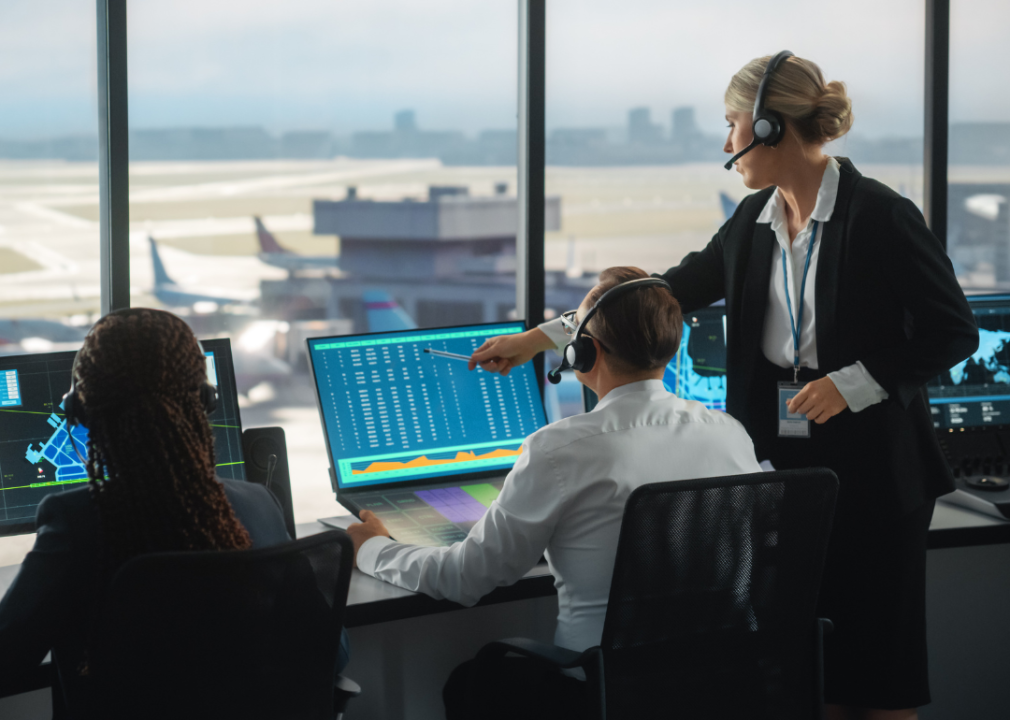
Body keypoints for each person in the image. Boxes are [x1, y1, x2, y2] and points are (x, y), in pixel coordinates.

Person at [469, 55, 979, 720]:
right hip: (782, 469)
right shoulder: (753, 222)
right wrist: (540, 339)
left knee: (879, 678)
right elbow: (652, 294)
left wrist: (851, 384)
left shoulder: (880, 215)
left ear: (771, 127)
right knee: (803, 669)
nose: (726, 141)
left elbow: (952, 332)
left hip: (877, 473)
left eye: (733, 123)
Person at [348, 266, 762, 719]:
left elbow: (464, 578)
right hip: (720, 688)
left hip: (598, 692)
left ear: (586, 352)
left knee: (470, 683)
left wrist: (374, 550)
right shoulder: (729, 433)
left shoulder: (558, 450)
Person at [0, 308, 348, 717]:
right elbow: (331, 653)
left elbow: (7, 661)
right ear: (205, 401)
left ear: (82, 412)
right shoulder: (259, 505)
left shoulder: (75, 522)